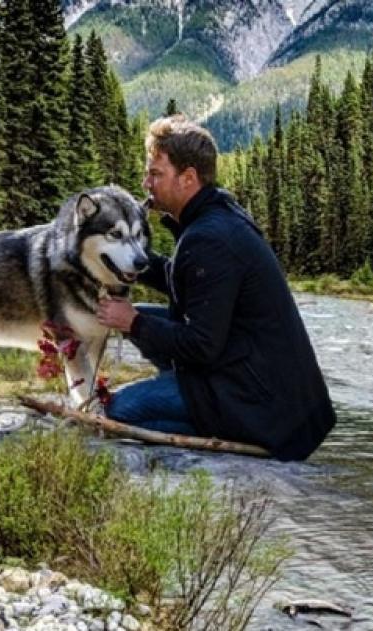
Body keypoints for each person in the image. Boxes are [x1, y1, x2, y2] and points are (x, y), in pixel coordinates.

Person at [95, 115, 335, 461]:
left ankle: (214, 432)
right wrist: (129, 260)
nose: (146, 183)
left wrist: (132, 322)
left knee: (117, 410)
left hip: (256, 401)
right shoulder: (215, 216)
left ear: (188, 178)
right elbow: (186, 280)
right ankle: (186, 404)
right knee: (140, 319)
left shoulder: (209, 238)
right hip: (253, 377)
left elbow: (202, 346)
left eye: (156, 174)